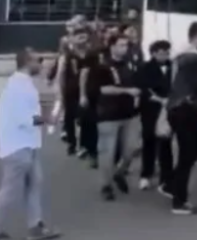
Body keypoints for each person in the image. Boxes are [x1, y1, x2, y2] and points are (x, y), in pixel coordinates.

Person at [0, 48, 61, 240]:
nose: (41, 64)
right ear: (27, 62)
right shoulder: (18, 86)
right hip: (17, 146)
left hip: (28, 144)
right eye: (37, 60)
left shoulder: (24, 83)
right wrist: (48, 119)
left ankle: (35, 227)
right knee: (10, 190)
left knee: (35, 182)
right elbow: (24, 118)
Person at [87, 34, 142, 201]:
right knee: (107, 152)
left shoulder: (130, 64)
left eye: (126, 45)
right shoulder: (102, 66)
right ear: (112, 46)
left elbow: (137, 83)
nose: (125, 48)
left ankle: (119, 172)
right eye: (121, 45)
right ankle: (106, 185)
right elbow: (102, 89)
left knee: (131, 149)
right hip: (108, 115)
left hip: (130, 114)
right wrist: (127, 91)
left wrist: (138, 95)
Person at [166, 21, 197, 215]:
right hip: (187, 109)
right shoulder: (195, 58)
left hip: (177, 108)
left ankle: (172, 185)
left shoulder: (179, 57)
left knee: (191, 151)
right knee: (188, 154)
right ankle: (179, 201)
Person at [137, 40, 174, 194]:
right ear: (153, 53)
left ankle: (166, 179)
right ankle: (146, 175)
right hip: (150, 109)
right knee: (149, 141)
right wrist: (160, 100)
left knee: (166, 143)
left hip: (168, 109)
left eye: (167, 53)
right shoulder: (145, 68)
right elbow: (143, 90)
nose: (165, 56)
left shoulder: (173, 66)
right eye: (161, 53)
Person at [54, 26, 91, 157]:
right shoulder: (67, 56)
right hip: (70, 92)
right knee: (70, 118)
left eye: (84, 37)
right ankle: (72, 142)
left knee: (85, 118)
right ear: (73, 39)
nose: (82, 40)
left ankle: (84, 145)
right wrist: (60, 93)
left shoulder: (91, 54)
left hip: (87, 91)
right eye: (79, 37)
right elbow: (60, 75)